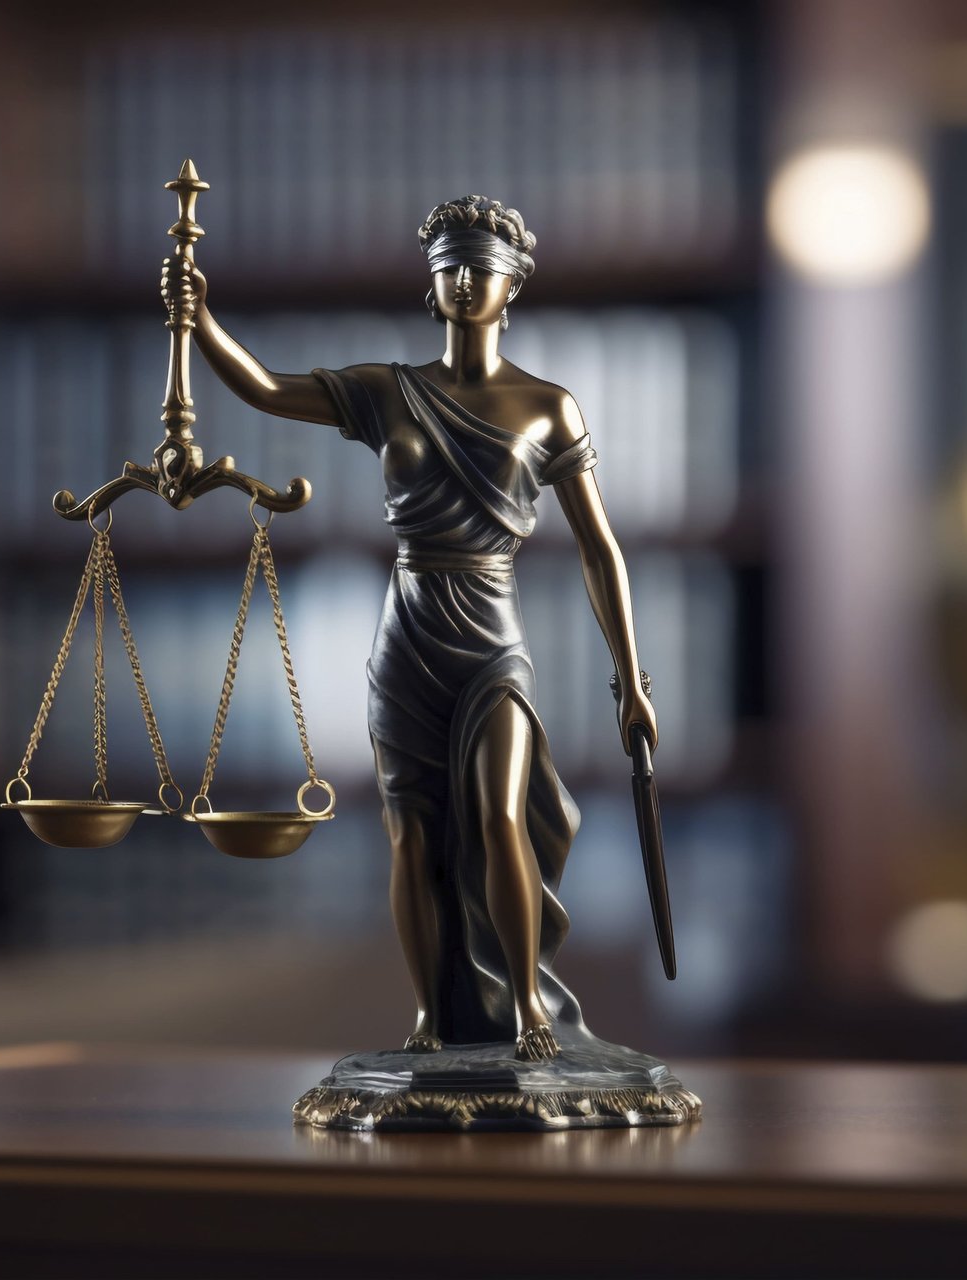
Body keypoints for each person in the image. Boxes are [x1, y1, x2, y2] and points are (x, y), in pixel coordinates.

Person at [162, 195, 659, 1061]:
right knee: (413, 832)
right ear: (432, 288)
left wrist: (632, 681)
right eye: (450, 269)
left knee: (502, 818)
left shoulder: (549, 408)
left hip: (492, 640)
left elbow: (600, 550)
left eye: (483, 269)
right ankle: (433, 1013)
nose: (466, 282)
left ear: (513, 287)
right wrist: (198, 320)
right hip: (408, 639)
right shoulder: (390, 393)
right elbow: (269, 390)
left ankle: (529, 1014)